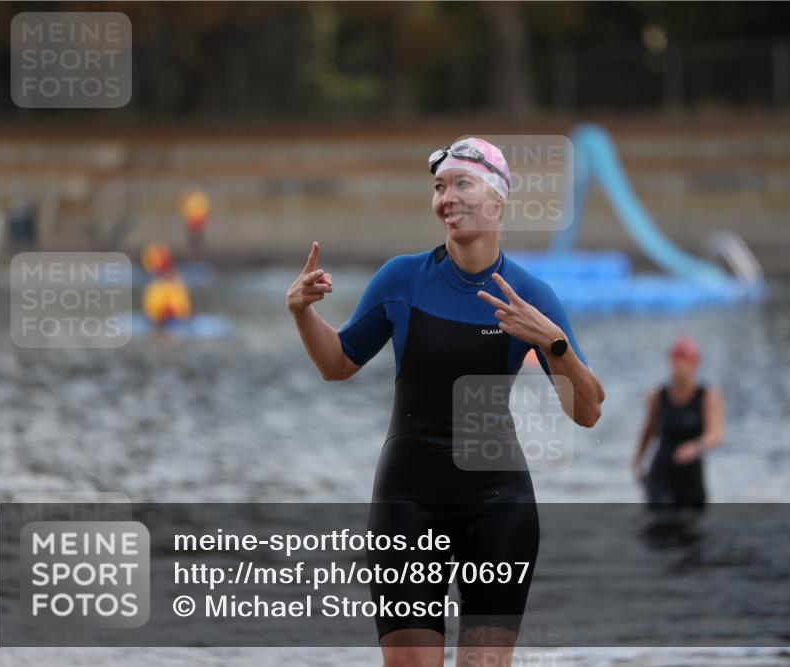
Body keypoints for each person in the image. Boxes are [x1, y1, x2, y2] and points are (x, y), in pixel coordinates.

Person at [286, 137, 605, 667]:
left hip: (498, 504)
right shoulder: (402, 279)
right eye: (439, 187)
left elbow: (588, 411)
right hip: (408, 501)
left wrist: (555, 343)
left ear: (499, 201)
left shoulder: (531, 296)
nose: (446, 197)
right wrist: (301, 313)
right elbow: (337, 364)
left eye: (462, 183)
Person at [632, 336, 724, 512]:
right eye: (674, 363)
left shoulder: (708, 395)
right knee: (660, 525)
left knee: (692, 529)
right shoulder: (657, 395)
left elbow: (716, 435)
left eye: (683, 363)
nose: (678, 368)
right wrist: (638, 461)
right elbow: (648, 431)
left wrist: (695, 447)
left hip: (691, 474)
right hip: (661, 473)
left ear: (695, 365)